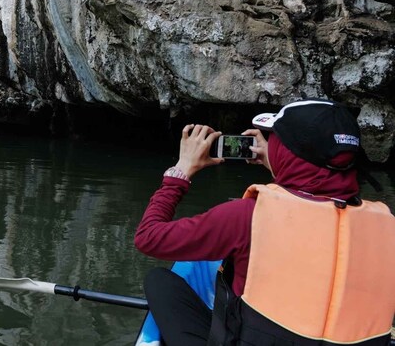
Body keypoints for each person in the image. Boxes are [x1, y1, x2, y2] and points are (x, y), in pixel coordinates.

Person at [134, 99, 395, 346]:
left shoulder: (247, 216)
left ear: (286, 152)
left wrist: (181, 171)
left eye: (275, 139)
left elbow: (148, 237)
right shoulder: (386, 226)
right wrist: (279, 166)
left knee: (159, 281)